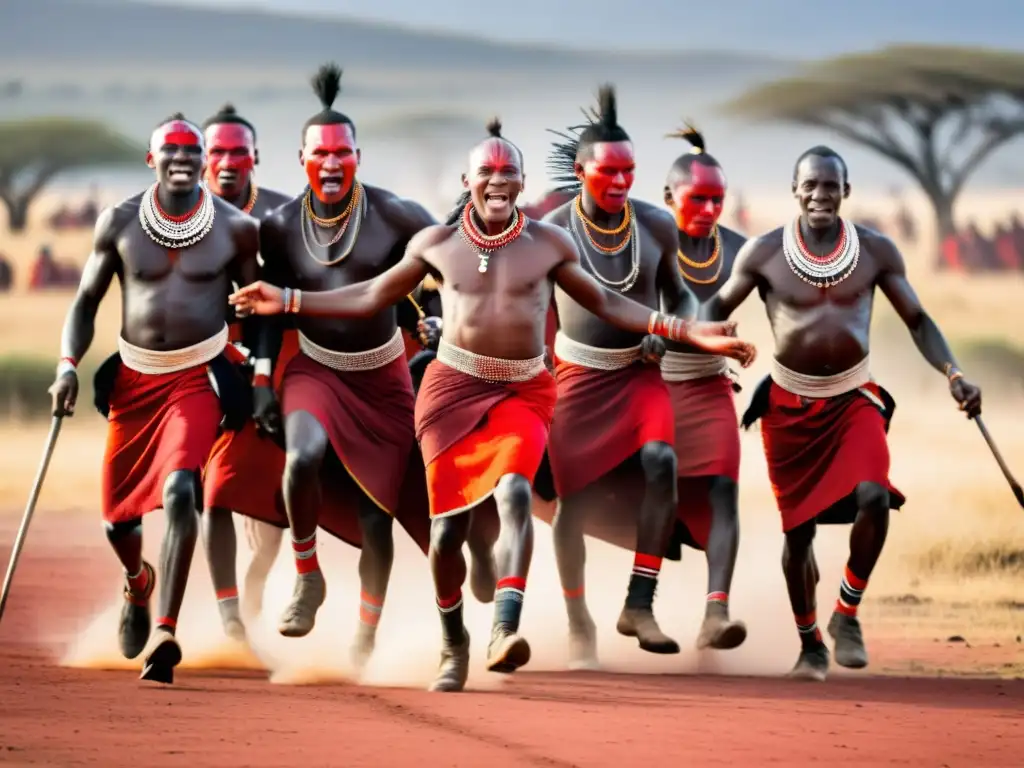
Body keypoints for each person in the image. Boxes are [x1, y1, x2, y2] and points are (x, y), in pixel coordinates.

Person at [229, 117, 757, 692]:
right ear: (468, 180)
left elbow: (608, 302)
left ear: (523, 183)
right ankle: (454, 641)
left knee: (512, 492)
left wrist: (691, 333)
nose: (498, 182)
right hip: (450, 393)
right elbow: (371, 296)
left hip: (523, 392)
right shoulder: (435, 245)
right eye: (487, 172)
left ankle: (504, 629)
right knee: (448, 533)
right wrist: (288, 298)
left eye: (509, 173)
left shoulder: (549, 245)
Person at [704, 145, 981, 681]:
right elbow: (714, 308)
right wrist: (709, 346)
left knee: (875, 494)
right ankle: (809, 642)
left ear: (846, 192)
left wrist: (954, 374)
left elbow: (919, 320)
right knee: (798, 534)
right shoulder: (762, 253)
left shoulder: (876, 251)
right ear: (794, 190)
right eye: (810, 185)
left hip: (854, 398)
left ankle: (846, 614)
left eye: (831, 186)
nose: (820, 195)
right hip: (788, 406)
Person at [243, 63, 443, 671]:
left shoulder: (397, 214)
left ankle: (365, 634)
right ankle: (306, 575)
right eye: (319, 155)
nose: (331, 165)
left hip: (382, 377)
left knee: (373, 515)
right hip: (316, 370)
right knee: (301, 457)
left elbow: (449, 270)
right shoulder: (277, 229)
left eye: (343, 154)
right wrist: (259, 380)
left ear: (359, 155)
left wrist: (435, 319)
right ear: (300, 158)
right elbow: (268, 311)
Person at [48, 114, 260, 684]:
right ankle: (138, 584)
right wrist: (68, 367)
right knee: (117, 522)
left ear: (205, 160)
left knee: (182, 488)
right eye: (170, 150)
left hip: (196, 378)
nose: (183, 158)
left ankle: (165, 629)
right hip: (135, 382)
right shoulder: (117, 221)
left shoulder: (236, 228)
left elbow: (253, 303)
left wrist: (256, 371)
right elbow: (86, 302)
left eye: (193, 150)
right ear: (151, 160)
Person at [537, 85, 695, 667]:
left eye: (631, 170)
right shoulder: (552, 231)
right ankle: (580, 622)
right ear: (581, 171)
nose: (623, 180)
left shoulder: (657, 226)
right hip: (575, 377)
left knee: (663, 463)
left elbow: (684, 298)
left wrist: (668, 329)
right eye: (610, 171)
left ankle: (640, 602)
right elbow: (530, 308)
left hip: (639, 374)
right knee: (570, 507)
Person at [197, 102, 293, 640]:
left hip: (268, 371)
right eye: (218, 151)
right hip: (196, 368)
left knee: (267, 505)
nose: (228, 161)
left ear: (256, 157)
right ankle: (228, 617)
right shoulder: (179, 217)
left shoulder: (278, 220)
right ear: (203, 158)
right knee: (210, 493)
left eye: (238, 151)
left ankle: (254, 587)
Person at [658, 124, 748, 650]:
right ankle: (621, 607)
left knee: (723, 492)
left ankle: (717, 613)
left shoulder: (741, 251)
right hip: (647, 387)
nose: (710, 210)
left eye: (718, 200)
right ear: (668, 197)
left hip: (709, 385)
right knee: (644, 494)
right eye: (698, 199)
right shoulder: (642, 244)